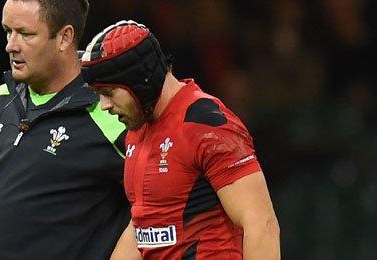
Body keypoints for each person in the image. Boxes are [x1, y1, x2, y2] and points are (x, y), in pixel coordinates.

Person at [81, 21, 280, 259]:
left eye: (109, 93)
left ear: (139, 81)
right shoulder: (137, 130)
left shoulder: (206, 124)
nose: (104, 106)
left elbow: (261, 224)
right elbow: (144, 224)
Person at [0, 1, 132, 259]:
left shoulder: (109, 112)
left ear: (64, 37)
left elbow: (156, 205)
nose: (10, 45)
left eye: (25, 34)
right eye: (7, 31)